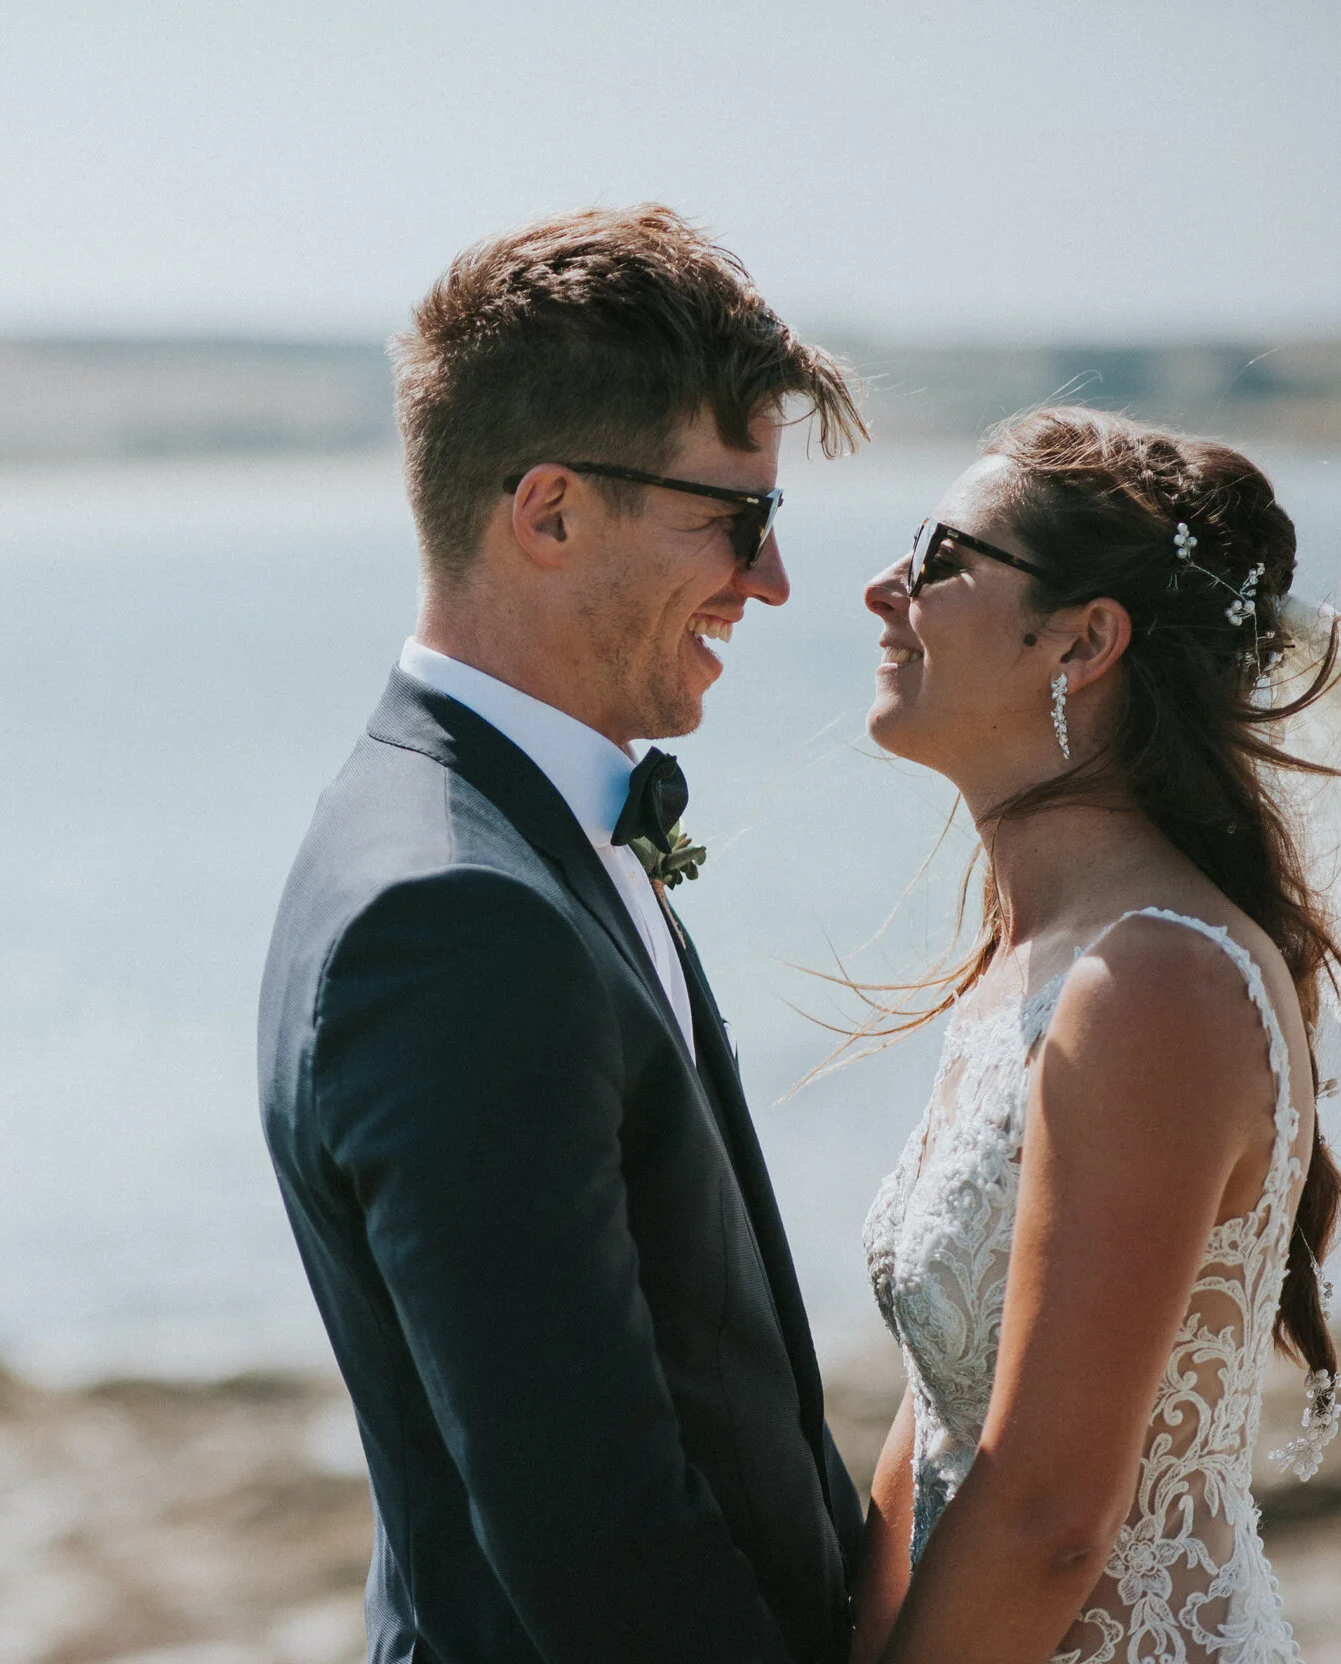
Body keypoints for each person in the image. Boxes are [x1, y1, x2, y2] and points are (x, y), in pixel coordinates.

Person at [258, 205, 868, 1663]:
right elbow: (598, 1542)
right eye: (739, 516)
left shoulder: (502, 829)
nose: (771, 580)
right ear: (549, 513)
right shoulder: (455, 925)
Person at [853, 407, 1341, 1663]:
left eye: (938, 556)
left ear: (1082, 640)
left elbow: (1048, 1515)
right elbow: (939, 1420)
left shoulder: (1154, 981)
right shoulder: (1042, 959)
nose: (883, 588)